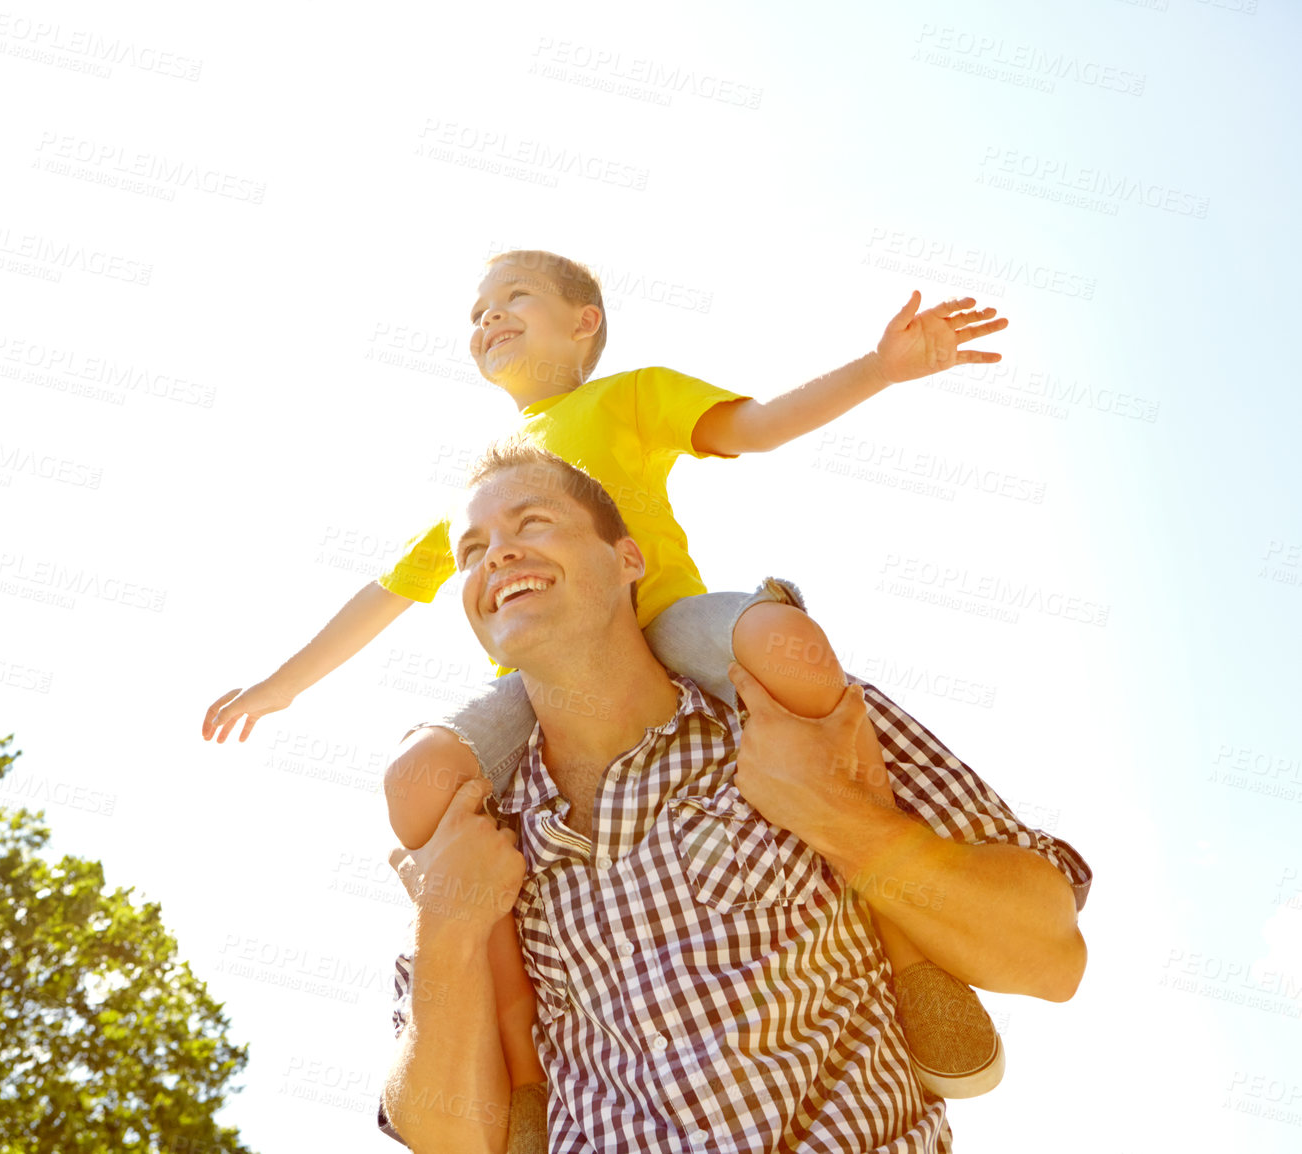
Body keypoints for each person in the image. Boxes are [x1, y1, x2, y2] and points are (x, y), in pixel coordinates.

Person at [202, 250, 1016, 1099]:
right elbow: (386, 594)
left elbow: (760, 425)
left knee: (784, 641)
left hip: (664, 624)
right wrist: (281, 686)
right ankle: (523, 1084)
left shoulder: (627, 396)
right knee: (422, 780)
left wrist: (881, 368)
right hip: (545, 680)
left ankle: (913, 954)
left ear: (584, 321)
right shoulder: (480, 490)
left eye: (512, 298)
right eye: (476, 312)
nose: (487, 319)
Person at [377, 443, 1091, 1151]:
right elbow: (448, 1139)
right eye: (472, 550)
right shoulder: (473, 838)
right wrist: (446, 924)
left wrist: (836, 813)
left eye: (532, 523)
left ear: (628, 559)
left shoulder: (800, 721)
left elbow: (1048, 957)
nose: (496, 554)